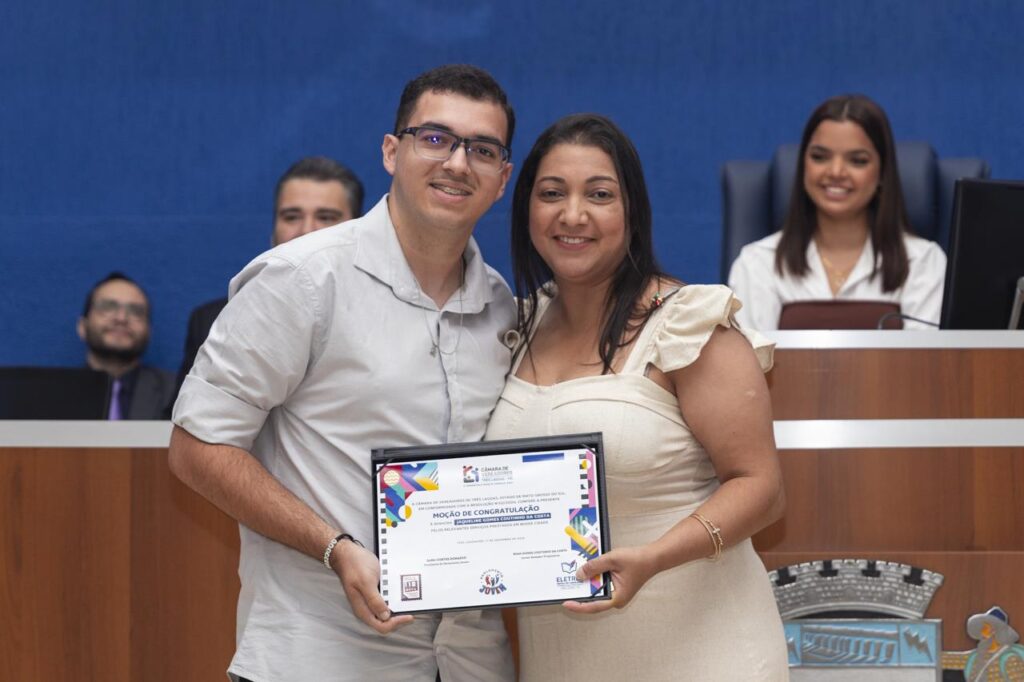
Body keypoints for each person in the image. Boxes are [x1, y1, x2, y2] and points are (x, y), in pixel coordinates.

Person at [168, 64, 517, 682]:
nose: (458, 163)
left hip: (467, 664)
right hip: (318, 657)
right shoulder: (301, 278)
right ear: (392, 151)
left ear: (502, 179)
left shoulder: (501, 308)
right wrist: (336, 548)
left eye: (482, 149)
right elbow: (197, 448)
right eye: (435, 138)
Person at [485, 113, 789, 679]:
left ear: (632, 212)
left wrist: (654, 558)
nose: (573, 214)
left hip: (702, 652)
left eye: (599, 194)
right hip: (562, 659)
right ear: (527, 207)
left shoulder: (689, 324)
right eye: (552, 193)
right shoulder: (514, 329)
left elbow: (763, 490)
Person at [728, 94, 947, 330]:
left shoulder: (923, 262)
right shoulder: (757, 263)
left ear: (883, 172)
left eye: (857, 161)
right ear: (804, 165)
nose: (836, 171)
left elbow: (926, 365)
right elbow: (748, 364)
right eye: (820, 157)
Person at [173, 156, 365, 397]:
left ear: (357, 230)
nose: (306, 231)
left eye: (326, 217)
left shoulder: (383, 315)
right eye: (291, 217)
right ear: (272, 231)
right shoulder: (213, 320)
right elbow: (183, 422)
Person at [78, 271, 174, 419]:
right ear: (82, 326)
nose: (121, 318)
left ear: (149, 331)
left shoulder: (176, 393)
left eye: (135, 311)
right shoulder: (55, 393)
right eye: (108, 307)